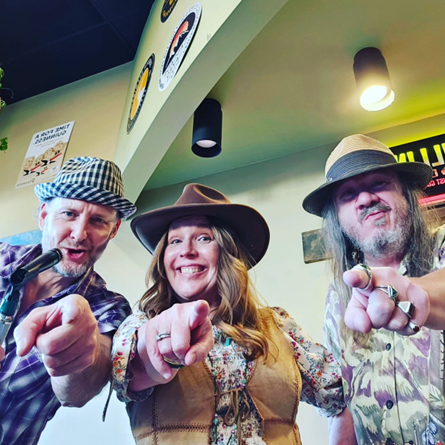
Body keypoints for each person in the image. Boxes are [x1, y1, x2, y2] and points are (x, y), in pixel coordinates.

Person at [112, 183, 349, 445]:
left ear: (228, 251)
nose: (186, 250)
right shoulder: (141, 325)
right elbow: (129, 372)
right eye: (175, 241)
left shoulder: (279, 326)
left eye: (204, 238)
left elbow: (344, 396)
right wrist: (160, 342)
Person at [302, 134, 445, 445]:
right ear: (338, 219)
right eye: (348, 194)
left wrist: (409, 291)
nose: (365, 199)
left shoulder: (442, 245)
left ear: (405, 194)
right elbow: (347, 405)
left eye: (379, 183)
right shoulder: (338, 297)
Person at [0, 157, 137, 445]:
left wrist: (82, 349)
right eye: (69, 214)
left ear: (114, 230)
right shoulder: (2, 257)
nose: (79, 234)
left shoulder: (109, 308)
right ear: (44, 215)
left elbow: (78, 393)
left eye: (98, 221)